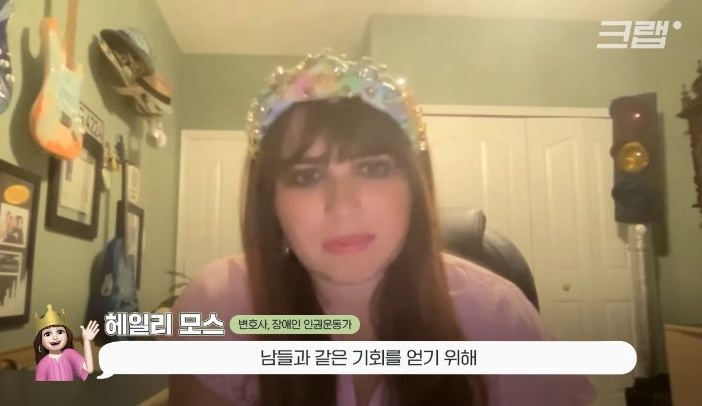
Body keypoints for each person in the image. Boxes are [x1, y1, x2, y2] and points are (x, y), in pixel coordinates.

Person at [168, 52, 596, 406]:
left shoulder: (500, 319)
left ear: (415, 187)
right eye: (306, 176)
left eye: (372, 169)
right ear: (270, 201)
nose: (343, 205)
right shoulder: (221, 305)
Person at [33, 304, 100, 381]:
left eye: (60, 332)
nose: (55, 337)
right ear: (41, 340)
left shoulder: (70, 354)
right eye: (48, 334)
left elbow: (89, 369)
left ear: (67, 335)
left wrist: (86, 341)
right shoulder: (43, 364)